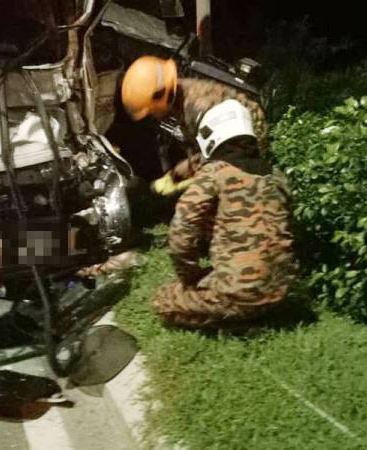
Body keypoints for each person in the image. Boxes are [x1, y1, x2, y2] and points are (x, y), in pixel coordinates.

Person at [146, 99, 294, 328]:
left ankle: (236, 319)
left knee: (163, 299)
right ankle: (255, 310)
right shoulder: (277, 175)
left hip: (238, 292)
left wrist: (190, 277)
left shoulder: (215, 173)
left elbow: (180, 233)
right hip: (281, 291)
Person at [121, 55, 268, 196]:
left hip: (246, 144)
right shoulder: (182, 93)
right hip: (231, 140)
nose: (152, 116)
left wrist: (193, 178)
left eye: (151, 111)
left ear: (160, 96)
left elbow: (222, 154)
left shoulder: (196, 108)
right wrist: (180, 172)